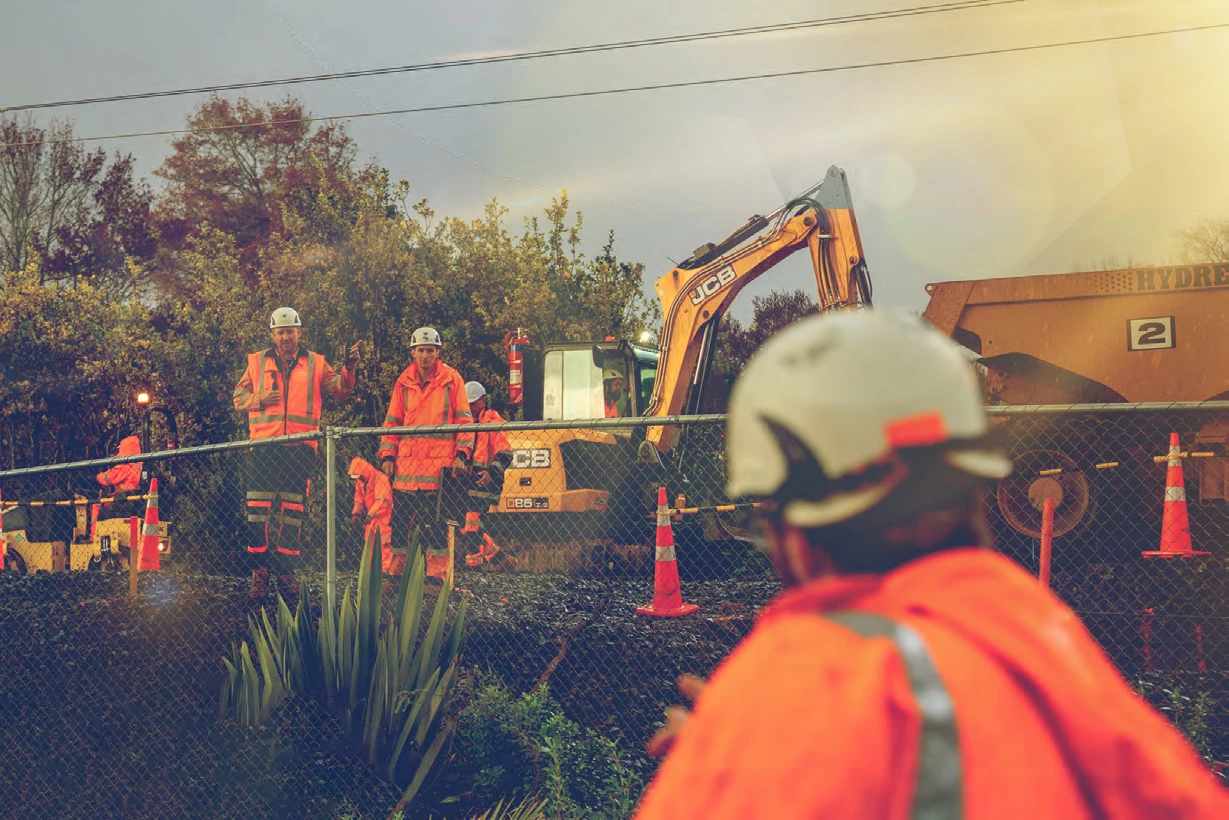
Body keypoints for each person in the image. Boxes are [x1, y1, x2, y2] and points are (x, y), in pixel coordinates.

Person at [634, 310, 1228, 819]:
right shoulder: (1044, 642)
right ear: (970, 489)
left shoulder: (798, 678)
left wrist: (722, 767)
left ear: (793, 529)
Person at [233, 307, 360, 599]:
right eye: (280, 332)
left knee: (293, 514)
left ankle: (286, 572)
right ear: (273, 335)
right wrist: (259, 399)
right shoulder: (256, 362)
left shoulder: (316, 363)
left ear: (300, 332)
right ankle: (260, 573)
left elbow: (340, 390)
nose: (286, 337)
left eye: (290, 331)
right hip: (264, 448)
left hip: (299, 450)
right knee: (257, 514)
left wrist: (349, 368)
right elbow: (238, 398)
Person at [378, 327, 474, 582]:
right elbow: (392, 421)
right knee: (399, 526)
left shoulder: (452, 380)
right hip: (406, 471)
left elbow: (464, 420)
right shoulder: (403, 382)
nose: (425, 356)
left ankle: (436, 577)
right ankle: (397, 575)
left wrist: (461, 455)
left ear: (438, 352)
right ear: (413, 352)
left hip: (437, 470)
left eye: (429, 351)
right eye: (420, 350)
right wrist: (388, 456)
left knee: (437, 527)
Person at [460, 380, 511, 568]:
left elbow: (506, 454)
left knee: (471, 525)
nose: (470, 407)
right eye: (467, 404)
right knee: (466, 525)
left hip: (486, 481)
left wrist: (491, 473)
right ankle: (497, 557)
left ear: (483, 401)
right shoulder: (464, 422)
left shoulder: (493, 422)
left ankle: (474, 565)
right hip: (468, 482)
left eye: (473, 403)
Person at [349, 456, 397, 574]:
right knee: (370, 546)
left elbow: (383, 501)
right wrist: (356, 514)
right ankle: (371, 573)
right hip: (372, 519)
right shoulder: (361, 481)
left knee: (384, 546)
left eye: (359, 476)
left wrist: (370, 515)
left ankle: (384, 572)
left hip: (384, 518)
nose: (358, 479)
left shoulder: (381, 478)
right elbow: (359, 499)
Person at [94, 434, 145, 520]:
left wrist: (97, 476)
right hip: (132, 499)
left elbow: (108, 478)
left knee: (97, 507)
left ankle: (93, 532)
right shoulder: (139, 464)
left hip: (122, 500)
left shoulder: (125, 465)